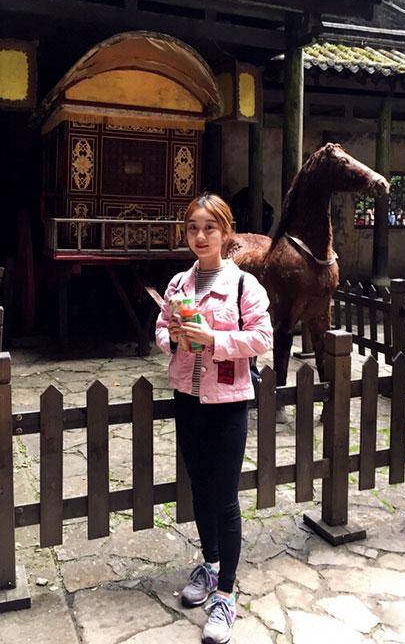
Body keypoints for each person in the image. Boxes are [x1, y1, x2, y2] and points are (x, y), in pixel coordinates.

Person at [155, 194, 273, 644]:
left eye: (209, 228)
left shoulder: (244, 285)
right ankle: (211, 563)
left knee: (224, 498)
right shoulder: (178, 284)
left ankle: (225, 594)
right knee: (200, 489)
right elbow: (161, 329)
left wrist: (213, 338)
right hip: (188, 396)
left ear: (226, 232)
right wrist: (173, 338)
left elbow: (261, 338)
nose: (200, 236)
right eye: (192, 228)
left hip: (227, 401)